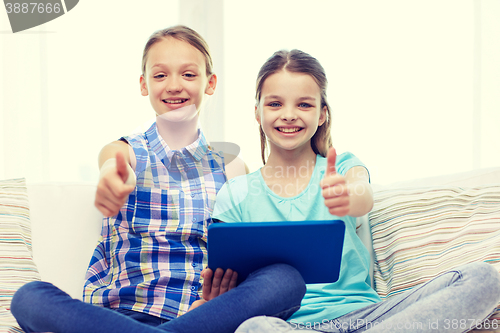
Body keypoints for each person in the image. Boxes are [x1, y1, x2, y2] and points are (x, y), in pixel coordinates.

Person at [10, 26, 306, 333]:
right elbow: (113, 161)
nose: (174, 86)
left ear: (210, 83)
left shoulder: (231, 167)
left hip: (200, 315)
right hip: (119, 317)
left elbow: (238, 255)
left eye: (189, 75)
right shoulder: (128, 152)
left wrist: (220, 294)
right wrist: (112, 176)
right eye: (161, 75)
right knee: (28, 297)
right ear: (144, 84)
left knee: (286, 279)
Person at [211, 49, 500, 333]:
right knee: (255, 327)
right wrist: (219, 298)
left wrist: (349, 195)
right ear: (257, 112)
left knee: (483, 278)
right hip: (286, 324)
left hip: (369, 317)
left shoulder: (344, 166)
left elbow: (362, 197)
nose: (288, 115)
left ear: (322, 114)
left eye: (304, 105)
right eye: (275, 104)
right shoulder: (236, 192)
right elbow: (230, 277)